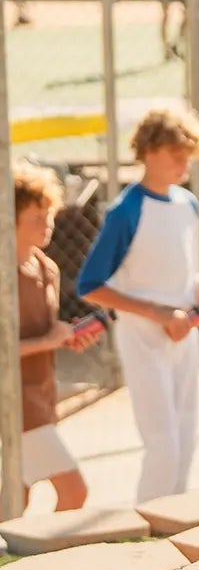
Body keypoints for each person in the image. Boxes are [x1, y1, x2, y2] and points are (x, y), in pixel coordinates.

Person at [77, 107, 199, 500]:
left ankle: (174, 526)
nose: (184, 164)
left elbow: (184, 272)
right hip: (143, 338)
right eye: (177, 154)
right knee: (163, 446)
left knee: (187, 440)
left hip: (183, 338)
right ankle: (149, 528)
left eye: (188, 155)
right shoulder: (127, 210)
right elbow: (90, 284)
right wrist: (158, 314)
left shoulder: (187, 204)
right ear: (150, 151)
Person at [14, 162, 102, 511]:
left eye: (49, 214)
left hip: (42, 398)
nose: (47, 224)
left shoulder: (46, 268)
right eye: (36, 216)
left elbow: (44, 334)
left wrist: (67, 337)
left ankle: (20, 561)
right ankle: (48, 557)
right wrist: (48, 341)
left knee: (14, 500)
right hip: (15, 405)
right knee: (74, 491)